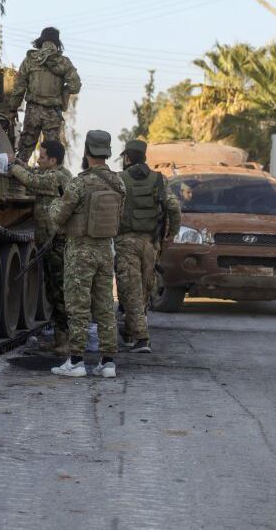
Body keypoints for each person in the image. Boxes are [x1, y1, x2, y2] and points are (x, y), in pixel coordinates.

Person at [48, 130, 126, 378]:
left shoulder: (80, 182)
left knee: (78, 306)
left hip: (80, 250)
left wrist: (52, 205)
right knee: (104, 306)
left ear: (87, 151)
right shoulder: (118, 183)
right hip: (106, 249)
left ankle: (76, 361)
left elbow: (59, 215)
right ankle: (108, 362)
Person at [115, 140, 182, 354]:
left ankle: (142, 339)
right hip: (151, 244)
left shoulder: (120, 179)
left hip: (126, 242)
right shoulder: (159, 180)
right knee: (142, 290)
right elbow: (174, 208)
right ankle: (128, 331)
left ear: (127, 157)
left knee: (130, 290)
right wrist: (171, 235)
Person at [8, 140, 72, 353]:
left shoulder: (59, 177)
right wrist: (18, 162)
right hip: (48, 242)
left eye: (42, 157)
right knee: (53, 290)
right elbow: (34, 172)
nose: (38, 160)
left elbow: (32, 181)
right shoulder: (51, 172)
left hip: (58, 243)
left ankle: (66, 339)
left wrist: (12, 167)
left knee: (60, 291)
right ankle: (60, 337)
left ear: (53, 160)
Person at [9, 27, 82, 163]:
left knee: (24, 150)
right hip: (53, 113)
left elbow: (19, 88)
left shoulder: (30, 60)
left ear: (41, 41)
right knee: (53, 153)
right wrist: (63, 93)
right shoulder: (63, 62)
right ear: (57, 42)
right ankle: (53, 182)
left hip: (32, 112)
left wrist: (13, 109)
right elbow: (75, 86)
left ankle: (17, 181)